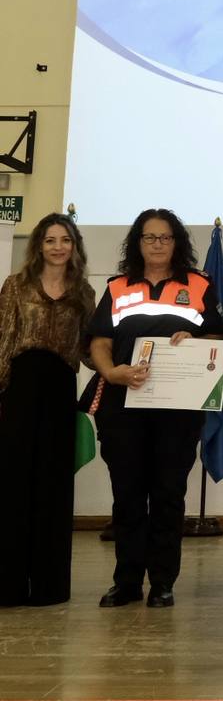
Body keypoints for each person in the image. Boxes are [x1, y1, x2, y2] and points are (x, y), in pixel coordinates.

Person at [88, 209, 223, 608]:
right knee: (127, 495)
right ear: (138, 243)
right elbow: (100, 340)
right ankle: (127, 582)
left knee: (168, 495)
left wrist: (195, 342)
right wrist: (110, 372)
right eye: (149, 237)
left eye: (165, 237)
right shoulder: (117, 287)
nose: (158, 244)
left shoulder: (199, 285)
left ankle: (163, 582)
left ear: (176, 242)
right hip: (123, 408)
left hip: (177, 413)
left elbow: (216, 338)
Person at [0, 213, 96, 606]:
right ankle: (7, 585)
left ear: (75, 246)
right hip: (19, 388)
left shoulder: (84, 293)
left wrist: (128, 361)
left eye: (65, 240)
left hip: (60, 391)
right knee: (13, 485)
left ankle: (49, 586)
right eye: (50, 240)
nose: (58, 247)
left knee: (54, 486)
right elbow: (4, 340)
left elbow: (89, 349)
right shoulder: (16, 286)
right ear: (38, 245)